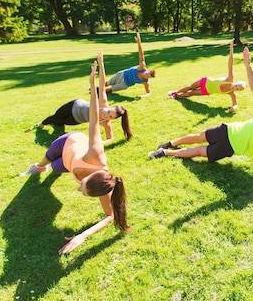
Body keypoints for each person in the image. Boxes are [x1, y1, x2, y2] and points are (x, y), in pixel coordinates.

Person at [149, 47, 253, 193]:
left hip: (230, 148)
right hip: (227, 130)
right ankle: (172, 143)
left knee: (199, 151)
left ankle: (165, 152)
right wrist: (247, 66)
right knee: (198, 136)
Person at [20, 57, 130, 254]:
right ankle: (36, 167)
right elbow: (95, 119)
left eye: (82, 190)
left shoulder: (104, 187)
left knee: (54, 168)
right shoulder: (95, 155)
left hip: (68, 163)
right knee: (46, 160)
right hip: (67, 143)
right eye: (83, 186)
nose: (78, 189)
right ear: (91, 176)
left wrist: (83, 236)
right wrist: (92, 83)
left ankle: (45, 168)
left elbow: (110, 216)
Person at [25, 52, 132, 144]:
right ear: (110, 107)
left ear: (111, 120)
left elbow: (110, 138)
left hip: (76, 119)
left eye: (109, 116)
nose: (106, 115)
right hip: (74, 105)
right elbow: (102, 84)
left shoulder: (105, 123)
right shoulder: (102, 103)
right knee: (55, 117)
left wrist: (101, 144)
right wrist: (101, 64)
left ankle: (56, 123)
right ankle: (41, 124)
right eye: (109, 111)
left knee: (60, 123)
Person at [168, 39, 246, 112]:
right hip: (205, 81)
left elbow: (235, 104)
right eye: (236, 86)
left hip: (207, 91)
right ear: (236, 83)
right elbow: (230, 64)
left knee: (191, 93)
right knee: (190, 87)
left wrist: (233, 108)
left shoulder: (231, 93)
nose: (235, 88)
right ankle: (175, 92)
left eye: (237, 89)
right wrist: (231, 49)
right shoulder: (229, 79)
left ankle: (177, 96)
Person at [104, 32, 155, 98]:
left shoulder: (145, 81)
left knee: (109, 90)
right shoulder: (142, 67)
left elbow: (149, 92)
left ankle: (98, 91)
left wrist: (143, 96)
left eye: (148, 77)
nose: (146, 76)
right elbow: (141, 54)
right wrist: (139, 42)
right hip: (122, 74)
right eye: (147, 73)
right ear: (147, 71)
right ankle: (94, 89)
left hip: (125, 84)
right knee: (106, 83)